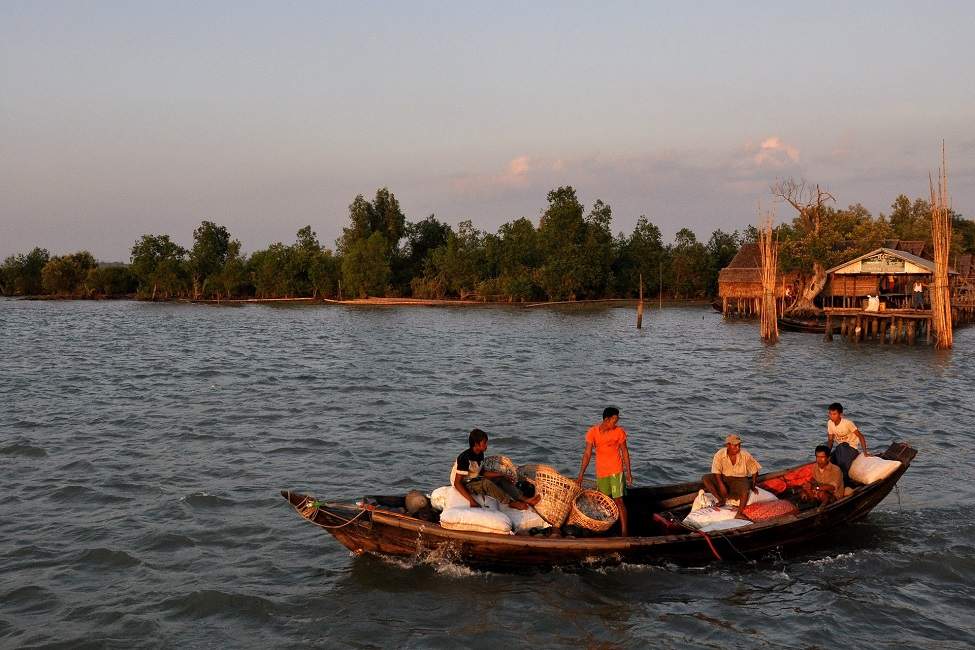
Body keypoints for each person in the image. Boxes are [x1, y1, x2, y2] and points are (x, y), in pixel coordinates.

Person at [576, 407, 633, 536]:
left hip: (616, 470)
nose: (616, 423)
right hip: (602, 472)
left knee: (619, 501)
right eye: (614, 420)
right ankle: (605, 529)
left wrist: (628, 473)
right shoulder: (593, 432)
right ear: (606, 419)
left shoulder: (619, 432)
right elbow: (587, 454)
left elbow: (624, 452)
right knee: (604, 501)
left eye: (617, 420)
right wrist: (581, 474)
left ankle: (624, 533)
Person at [451, 428, 539, 511]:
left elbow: (482, 472)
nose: (486, 446)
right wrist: (472, 501)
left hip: (475, 478)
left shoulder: (480, 454)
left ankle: (525, 499)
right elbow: (457, 483)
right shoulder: (464, 458)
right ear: (476, 444)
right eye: (484, 443)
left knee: (501, 479)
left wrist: (502, 474)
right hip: (465, 483)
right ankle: (511, 502)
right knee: (486, 483)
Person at [702, 434, 762, 519]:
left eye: (739, 445)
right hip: (724, 477)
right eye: (735, 445)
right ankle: (720, 499)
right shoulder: (720, 454)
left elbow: (754, 471)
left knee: (745, 490)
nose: (738, 448)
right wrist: (721, 485)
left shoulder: (745, 455)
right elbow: (716, 471)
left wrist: (753, 485)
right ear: (728, 445)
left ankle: (739, 513)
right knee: (705, 478)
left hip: (740, 479)